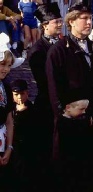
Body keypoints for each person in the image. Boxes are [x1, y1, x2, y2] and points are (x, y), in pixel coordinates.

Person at [46, 2, 93, 191]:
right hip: (72, 127)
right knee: (73, 175)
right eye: (83, 18)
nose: (88, 22)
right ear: (71, 22)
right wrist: (66, 117)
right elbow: (54, 92)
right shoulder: (59, 51)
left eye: (90, 18)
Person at [26, 2, 62, 190]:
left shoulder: (64, 44)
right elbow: (45, 81)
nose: (59, 24)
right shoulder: (38, 50)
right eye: (56, 21)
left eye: (60, 20)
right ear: (45, 25)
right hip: (47, 106)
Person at [56, 88, 93, 191]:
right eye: (81, 109)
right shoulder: (63, 122)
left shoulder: (77, 120)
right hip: (68, 166)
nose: (84, 112)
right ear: (68, 107)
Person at [10, 79, 36, 191]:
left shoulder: (33, 110)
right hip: (12, 148)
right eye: (16, 94)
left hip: (26, 150)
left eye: (22, 94)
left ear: (27, 93)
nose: (19, 97)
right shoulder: (9, 109)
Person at [0, 33, 16, 191]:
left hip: (3, 143)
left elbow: (9, 119)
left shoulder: (6, 86)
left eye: (9, 65)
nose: (5, 69)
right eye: (2, 64)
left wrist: (10, 148)